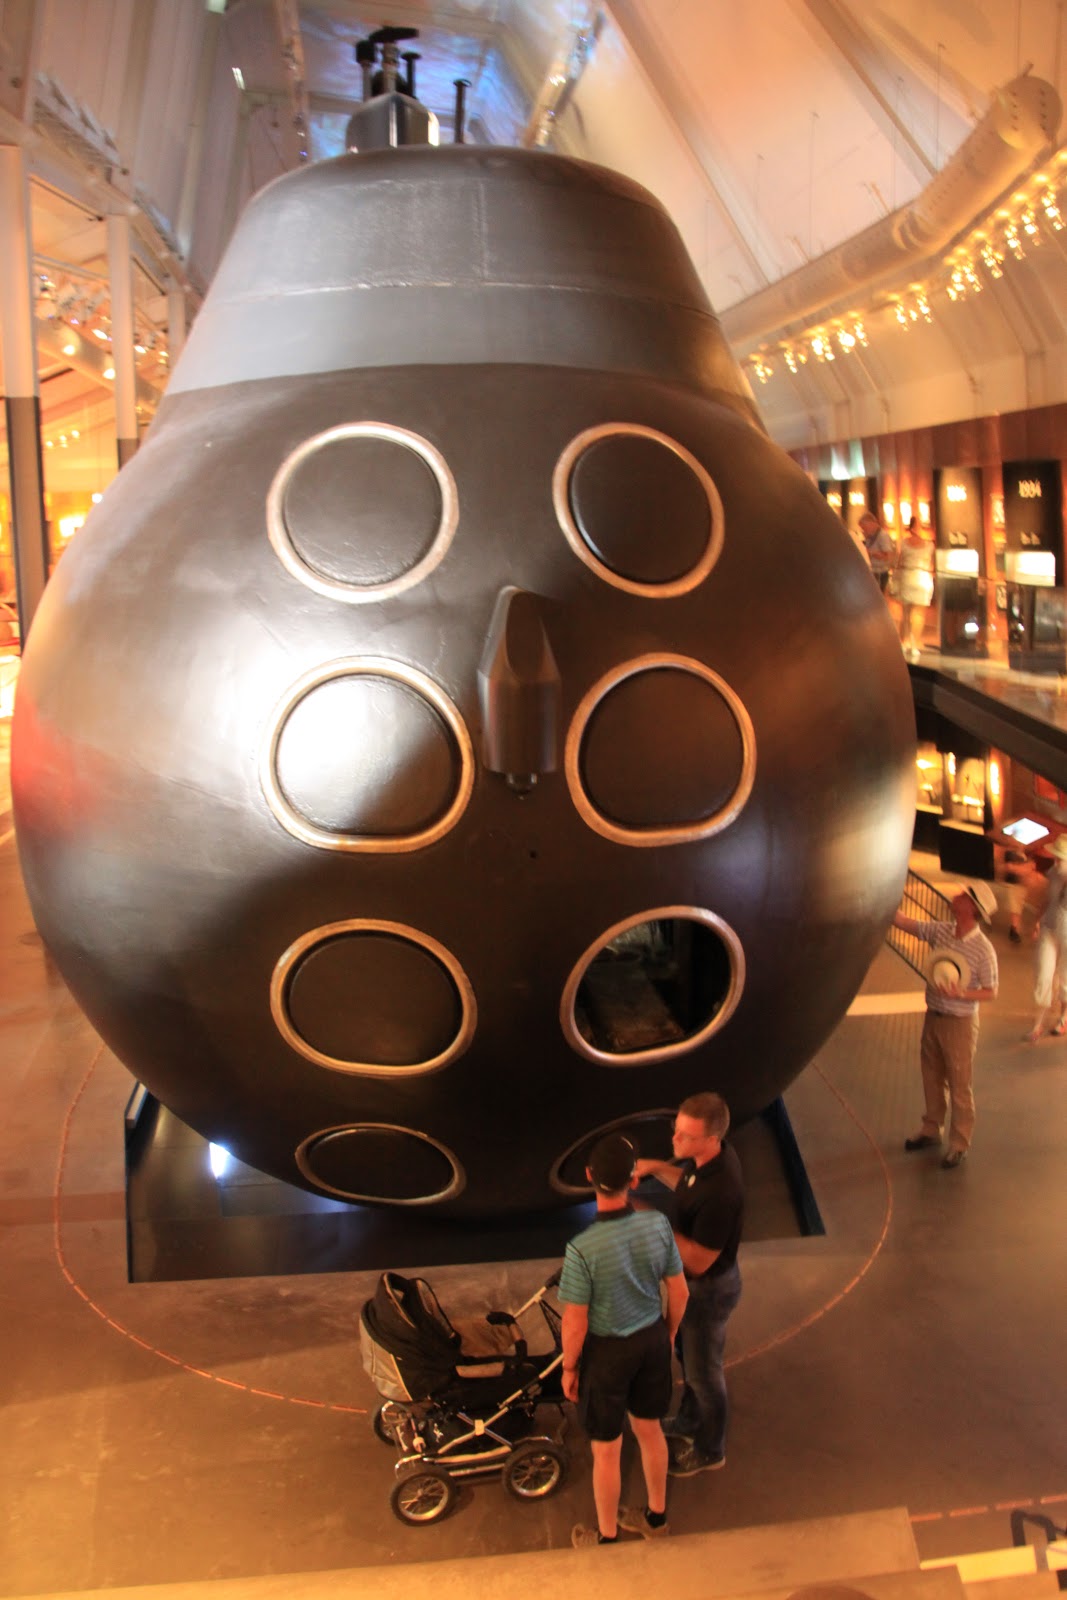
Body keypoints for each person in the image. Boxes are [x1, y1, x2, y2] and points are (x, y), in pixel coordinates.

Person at [560, 1133, 688, 1548]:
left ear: (589, 1176)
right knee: (650, 1430)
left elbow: (575, 1322)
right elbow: (679, 1292)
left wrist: (569, 1367)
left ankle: (607, 1539)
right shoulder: (657, 1224)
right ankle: (656, 1518)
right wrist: (667, 1334)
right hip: (652, 1340)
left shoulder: (581, 1249)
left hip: (607, 1355)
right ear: (634, 1180)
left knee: (607, 1450)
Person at [632, 1092, 744, 1477]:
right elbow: (687, 1183)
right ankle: (689, 1420)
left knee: (703, 1375)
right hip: (695, 1287)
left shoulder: (722, 1193)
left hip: (708, 1291)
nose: (675, 1140)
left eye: (685, 1136)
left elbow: (698, 1260)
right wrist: (656, 1167)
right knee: (689, 1356)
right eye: (675, 1129)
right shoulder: (709, 1161)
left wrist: (650, 1221)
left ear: (711, 1139)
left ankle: (711, 1450)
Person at [893, 882, 999, 1167]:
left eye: (964, 896)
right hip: (934, 1016)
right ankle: (931, 1128)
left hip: (960, 1023)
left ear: (972, 908)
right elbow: (906, 923)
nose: (957, 895)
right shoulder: (941, 931)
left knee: (959, 1083)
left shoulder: (983, 950)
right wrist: (887, 898)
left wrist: (961, 994)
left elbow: (991, 991)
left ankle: (960, 1143)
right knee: (931, 1075)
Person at [1025, 834, 1067, 1042]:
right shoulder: (1053, 873)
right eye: (1056, 857)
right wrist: (1037, 921)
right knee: (1043, 974)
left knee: (1065, 977)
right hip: (1049, 926)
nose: (1056, 861)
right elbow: (1046, 898)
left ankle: (1063, 1018)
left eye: (1060, 858)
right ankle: (1038, 1023)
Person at [895, 517, 935, 661]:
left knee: (906, 612)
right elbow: (931, 564)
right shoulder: (929, 545)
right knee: (919, 614)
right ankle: (914, 643)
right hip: (923, 577)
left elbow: (899, 562)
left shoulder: (903, 543)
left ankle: (903, 642)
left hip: (908, 576)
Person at [858, 511, 895, 593]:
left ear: (870, 524)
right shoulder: (870, 536)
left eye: (864, 527)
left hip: (880, 573)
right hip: (872, 571)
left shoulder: (883, 536)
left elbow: (888, 556)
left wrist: (871, 553)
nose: (863, 530)